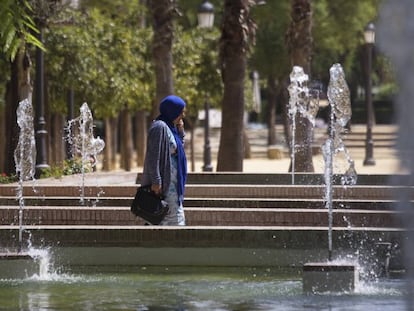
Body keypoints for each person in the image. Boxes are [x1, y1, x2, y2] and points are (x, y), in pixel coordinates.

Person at [141, 95, 187, 225]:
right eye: (181, 111)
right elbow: (153, 157)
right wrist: (156, 181)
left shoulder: (171, 128)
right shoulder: (159, 127)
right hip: (163, 186)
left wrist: (180, 130)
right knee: (168, 220)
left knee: (174, 219)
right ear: (172, 110)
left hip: (172, 185)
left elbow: (179, 148)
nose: (182, 115)